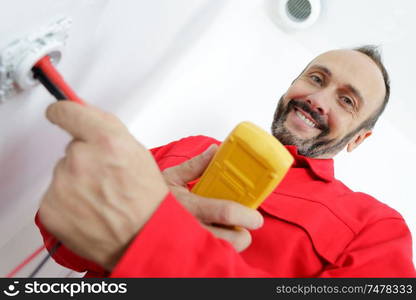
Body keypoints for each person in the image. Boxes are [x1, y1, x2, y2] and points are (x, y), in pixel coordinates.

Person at [36, 45, 416, 277]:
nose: (319, 99)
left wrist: (151, 241)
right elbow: (61, 241)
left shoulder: (377, 227)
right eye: (316, 79)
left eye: (347, 101)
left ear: (360, 138)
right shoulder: (194, 148)